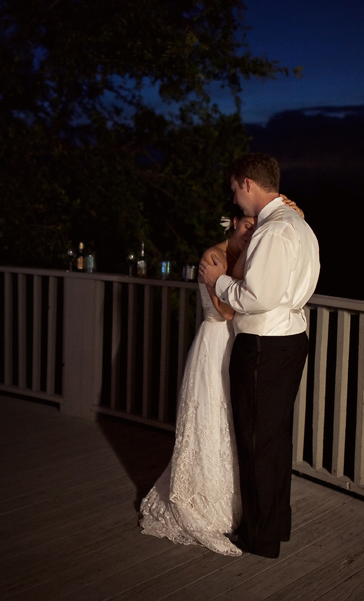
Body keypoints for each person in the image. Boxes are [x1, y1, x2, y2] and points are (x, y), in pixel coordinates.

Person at [198, 153, 320, 559]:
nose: (234, 200)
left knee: (256, 442)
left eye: (234, 189)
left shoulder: (273, 231)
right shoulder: (299, 226)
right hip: (291, 338)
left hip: (265, 344)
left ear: (248, 183)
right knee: (274, 439)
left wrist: (220, 283)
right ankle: (275, 524)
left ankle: (259, 537)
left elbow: (255, 296)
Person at [138, 209, 256, 556]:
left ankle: (229, 501)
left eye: (256, 227)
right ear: (234, 222)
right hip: (214, 344)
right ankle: (202, 504)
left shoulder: (239, 256)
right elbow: (225, 311)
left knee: (229, 424)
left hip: (234, 345)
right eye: (248, 226)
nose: (252, 232)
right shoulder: (213, 256)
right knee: (208, 420)